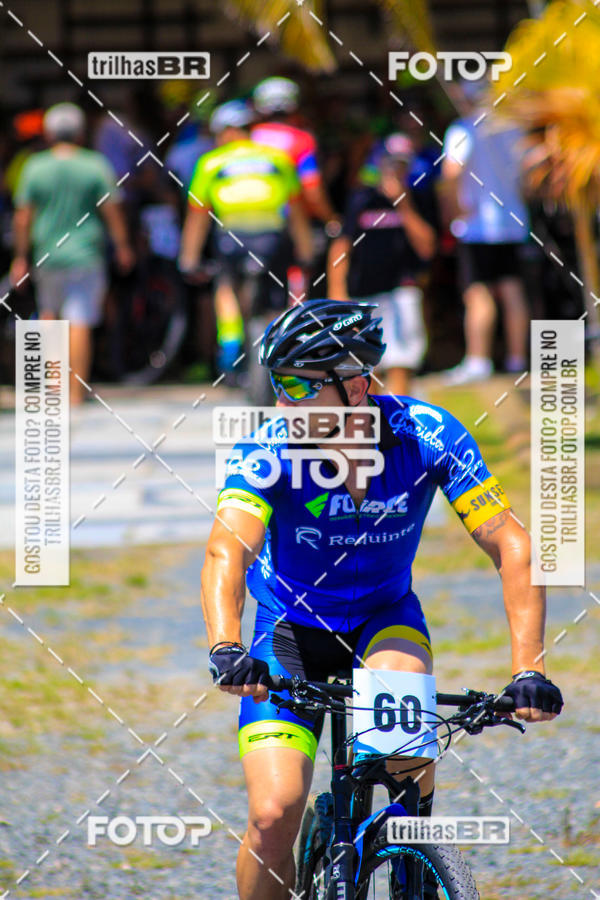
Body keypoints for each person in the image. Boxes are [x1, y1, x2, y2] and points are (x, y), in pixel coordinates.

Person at [201, 299, 563, 900]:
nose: (283, 402)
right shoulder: (269, 451)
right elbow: (226, 551)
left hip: (383, 619)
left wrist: (530, 667)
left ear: (358, 384)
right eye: (278, 384)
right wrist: (225, 646)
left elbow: (512, 544)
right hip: (288, 633)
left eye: (298, 385)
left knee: (406, 772)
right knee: (273, 815)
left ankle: (413, 862)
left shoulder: (427, 433)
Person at [11, 102, 134, 405]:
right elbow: (112, 209)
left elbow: (23, 216)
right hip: (86, 254)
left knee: (50, 317)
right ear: (80, 134)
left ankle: (54, 389)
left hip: (47, 254)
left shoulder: (35, 166)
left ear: (49, 134)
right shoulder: (94, 165)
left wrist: (21, 256)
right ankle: (76, 392)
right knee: (80, 320)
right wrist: (122, 245)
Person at [178, 99, 312, 374]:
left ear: (226, 131)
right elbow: (297, 210)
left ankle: (230, 342)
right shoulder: (278, 159)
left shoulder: (211, 162)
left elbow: (198, 216)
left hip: (232, 238)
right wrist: (306, 250)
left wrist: (188, 258)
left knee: (225, 284)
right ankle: (278, 347)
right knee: (277, 297)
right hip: (272, 237)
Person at [327, 134, 436, 395]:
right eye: (390, 163)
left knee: (401, 361)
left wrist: (404, 204)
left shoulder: (419, 197)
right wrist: (337, 292)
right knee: (365, 364)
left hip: (402, 289)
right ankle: (374, 425)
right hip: (364, 292)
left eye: (401, 164)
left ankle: (400, 421)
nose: (395, 170)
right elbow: (342, 245)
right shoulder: (361, 198)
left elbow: (427, 246)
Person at [440, 83, 531, 384]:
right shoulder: (514, 130)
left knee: (478, 293)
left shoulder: (463, 129)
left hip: (477, 227)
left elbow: (451, 173)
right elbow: (529, 175)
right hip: (511, 224)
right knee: (512, 289)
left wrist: (454, 211)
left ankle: (479, 361)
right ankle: (517, 359)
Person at [251, 77, 340, 235]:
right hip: (293, 223)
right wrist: (330, 218)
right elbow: (312, 188)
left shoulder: (248, 138)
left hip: (248, 222)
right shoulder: (301, 140)